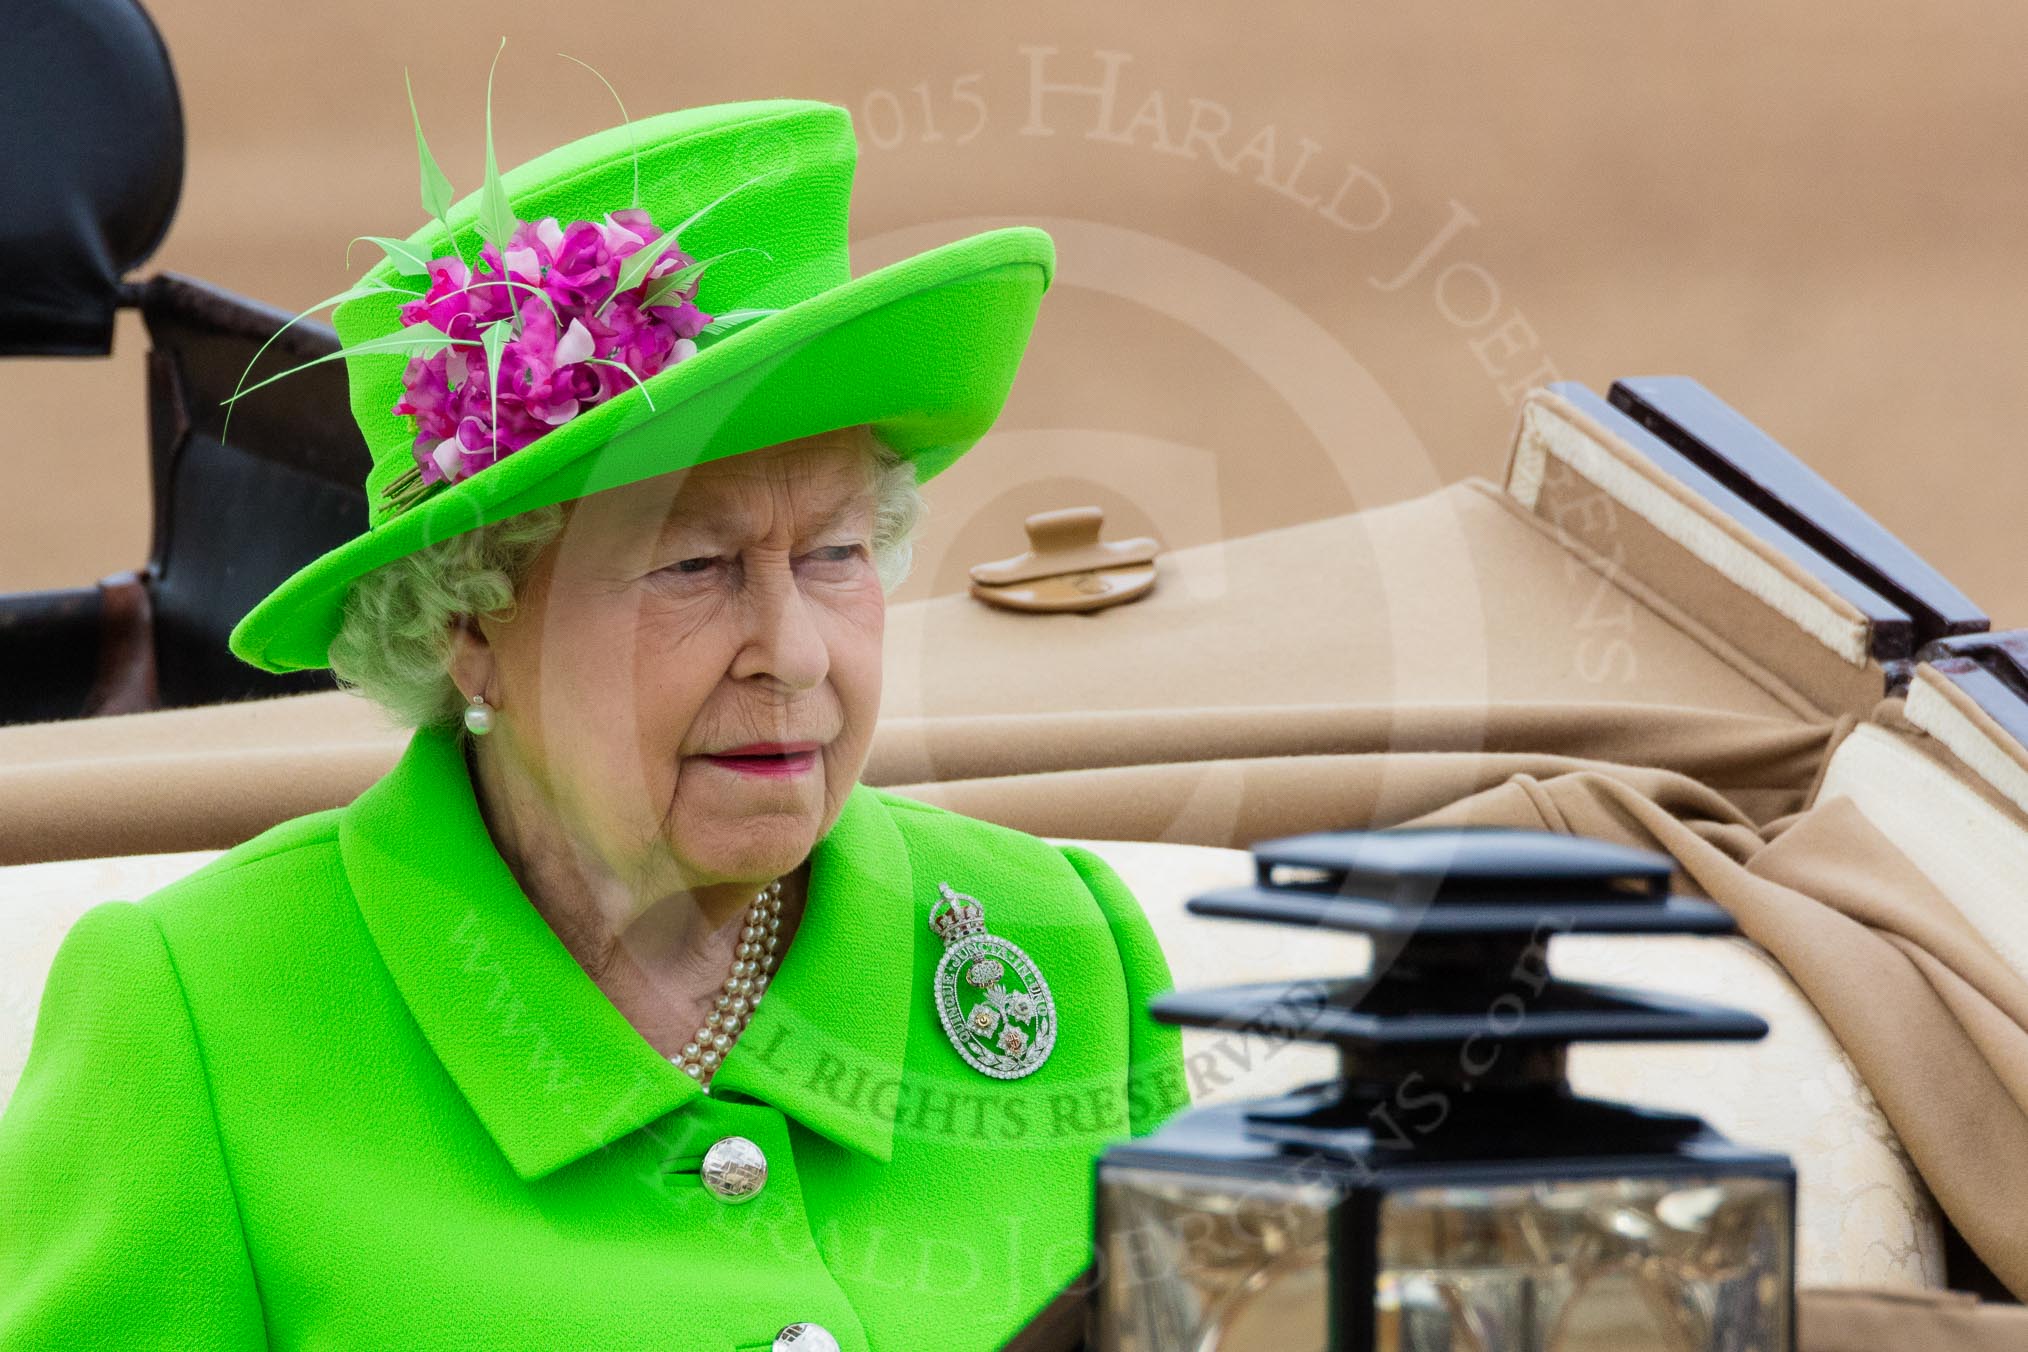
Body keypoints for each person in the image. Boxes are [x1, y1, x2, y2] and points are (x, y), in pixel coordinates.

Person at [0, 91, 1189, 1351]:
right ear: (470, 619)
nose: (792, 651)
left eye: (834, 553)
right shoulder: (198, 1020)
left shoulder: (1069, 948)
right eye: (695, 566)